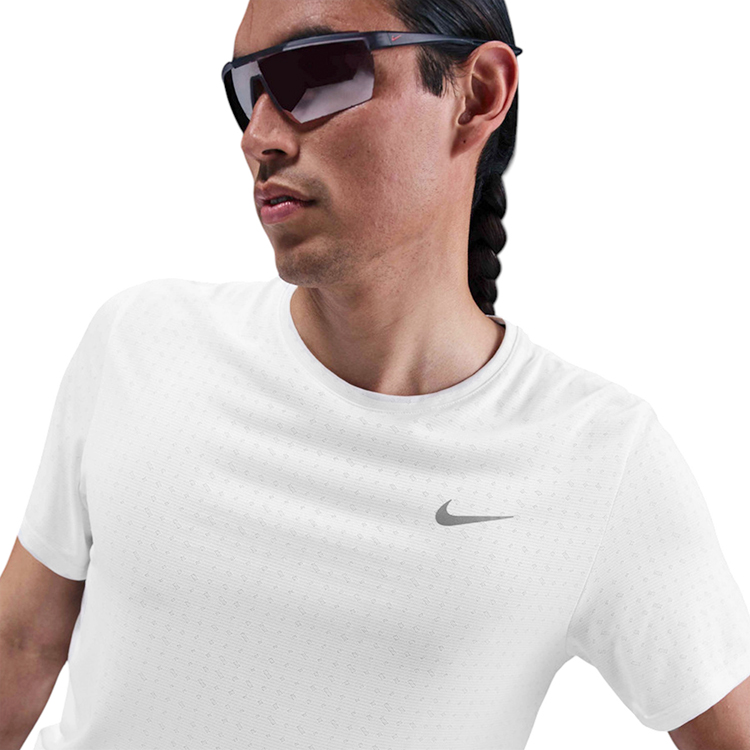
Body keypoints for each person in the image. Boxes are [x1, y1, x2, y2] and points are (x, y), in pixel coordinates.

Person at [1, 0, 749, 748]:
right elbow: (24, 643)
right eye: (248, 89)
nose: (257, 136)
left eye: (315, 72)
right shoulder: (142, 344)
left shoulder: (599, 460)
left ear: (477, 94)